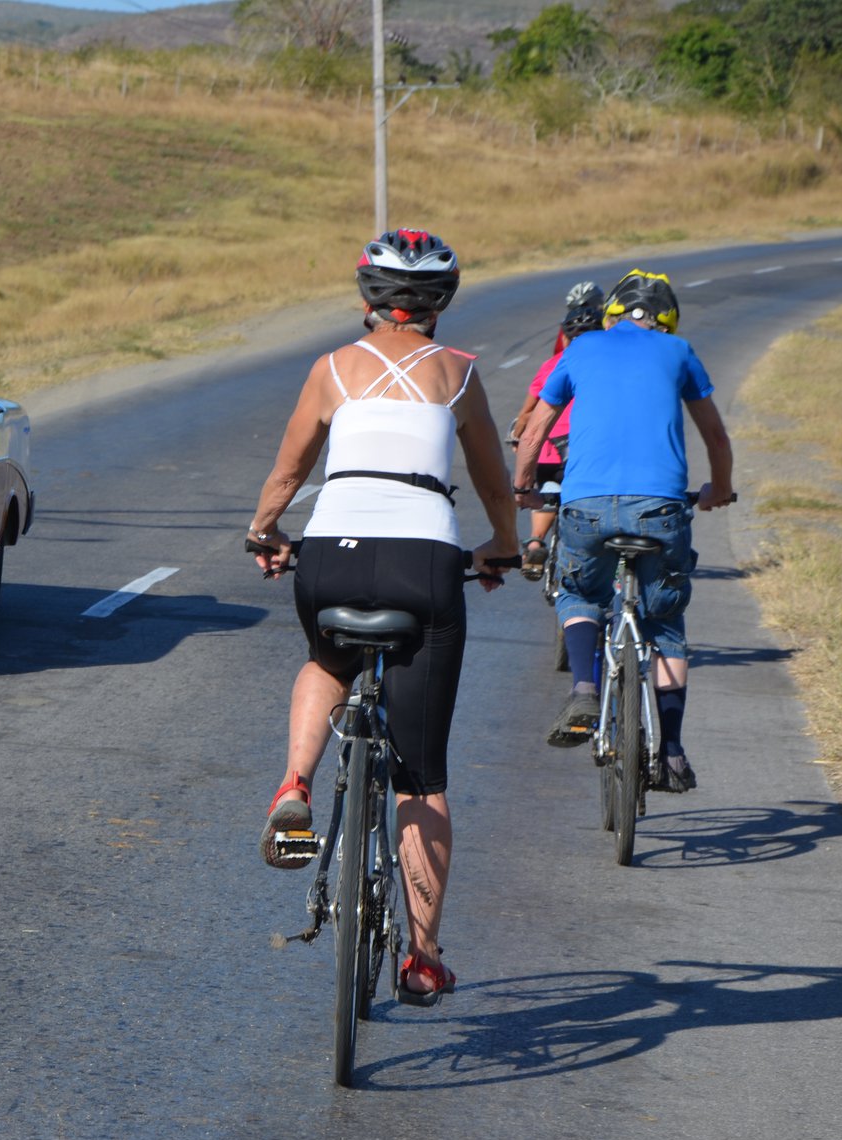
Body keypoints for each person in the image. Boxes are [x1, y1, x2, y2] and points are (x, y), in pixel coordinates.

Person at [247, 229, 519, 1005]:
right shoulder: (460, 374)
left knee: (327, 659)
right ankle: (423, 955)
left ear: (368, 297)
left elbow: (289, 470)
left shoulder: (331, 369)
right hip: (425, 562)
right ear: (441, 303)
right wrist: (501, 547)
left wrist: (264, 533)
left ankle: (295, 782)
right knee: (422, 780)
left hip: (333, 549)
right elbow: (496, 487)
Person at [513, 269, 736, 793]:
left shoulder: (580, 349)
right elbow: (716, 437)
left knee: (577, 590)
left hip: (585, 507)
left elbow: (534, 433)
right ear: (667, 319)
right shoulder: (680, 351)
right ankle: (673, 750)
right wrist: (717, 490)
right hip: (660, 509)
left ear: (611, 314)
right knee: (665, 623)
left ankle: (586, 687)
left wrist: (525, 488)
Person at [508, 284, 604, 579]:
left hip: (549, 449)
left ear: (564, 335)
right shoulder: (606, 365)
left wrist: (518, 433)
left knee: (549, 490)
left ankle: (536, 540)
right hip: (590, 448)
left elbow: (528, 411)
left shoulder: (553, 364)